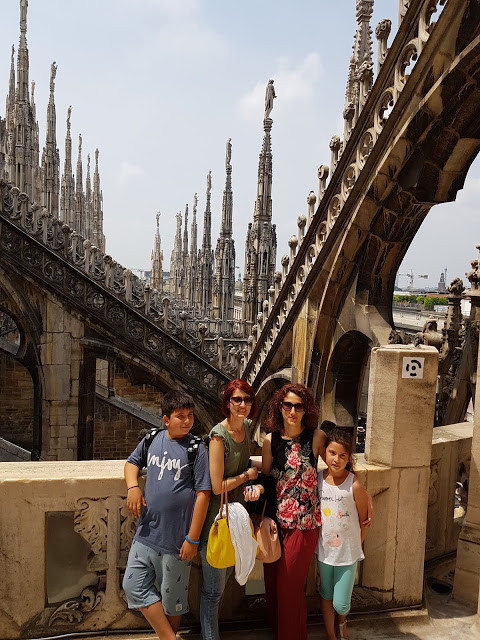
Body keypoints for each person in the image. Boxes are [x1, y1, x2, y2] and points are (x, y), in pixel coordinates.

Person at [123, 390, 211, 640]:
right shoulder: (152, 439)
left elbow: (203, 495)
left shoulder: (196, 448)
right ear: (165, 419)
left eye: (190, 415)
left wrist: (192, 539)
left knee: (173, 600)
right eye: (180, 416)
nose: (187, 421)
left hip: (176, 540)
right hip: (146, 532)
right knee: (133, 585)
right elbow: (131, 463)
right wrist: (133, 487)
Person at [261, 383, 326, 640]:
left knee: (288, 588)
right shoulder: (270, 440)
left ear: (305, 410)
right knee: (274, 587)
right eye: (288, 405)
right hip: (276, 525)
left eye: (299, 406)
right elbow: (267, 480)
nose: (292, 411)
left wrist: (356, 489)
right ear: (279, 407)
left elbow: (338, 463)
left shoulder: (316, 437)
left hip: (304, 524)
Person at [199, 379, 259, 640]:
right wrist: (246, 477)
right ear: (227, 403)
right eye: (237, 399)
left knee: (223, 586)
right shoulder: (218, 436)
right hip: (216, 521)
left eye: (247, 399)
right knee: (213, 592)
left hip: (236, 517)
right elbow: (216, 486)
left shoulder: (246, 426)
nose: (242, 404)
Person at [316, 428, 369, 640]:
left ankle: (342, 622)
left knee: (341, 603)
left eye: (342, 455)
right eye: (332, 453)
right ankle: (332, 635)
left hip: (347, 554)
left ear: (348, 459)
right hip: (324, 551)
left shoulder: (353, 484)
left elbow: (364, 520)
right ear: (325, 453)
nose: (336, 459)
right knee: (326, 594)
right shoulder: (318, 479)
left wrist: (355, 547)